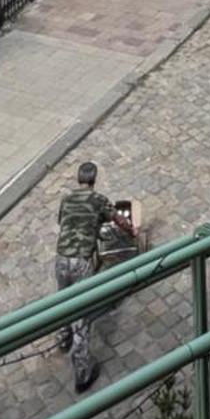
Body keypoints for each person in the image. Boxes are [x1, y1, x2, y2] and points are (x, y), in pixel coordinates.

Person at [54, 159, 129, 393]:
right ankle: (83, 372)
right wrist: (132, 229)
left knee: (62, 300)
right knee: (82, 315)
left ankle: (62, 336)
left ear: (78, 179)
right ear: (94, 180)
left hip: (61, 258)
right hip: (81, 261)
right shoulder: (98, 200)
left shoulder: (66, 199)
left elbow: (61, 221)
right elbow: (117, 218)